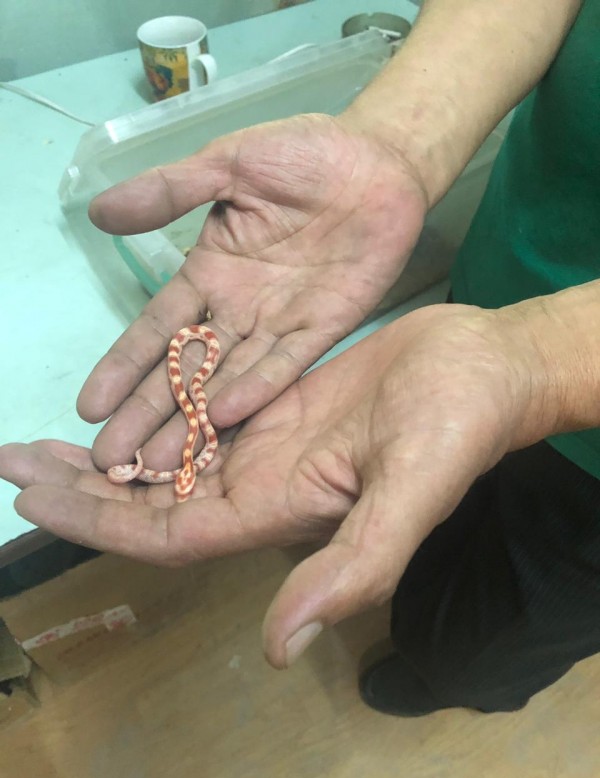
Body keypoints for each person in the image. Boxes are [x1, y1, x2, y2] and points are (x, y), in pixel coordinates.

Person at [1, 0, 599, 716]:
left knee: (489, 639)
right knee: (424, 513)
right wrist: (396, 144)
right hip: (490, 292)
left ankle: (453, 680)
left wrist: (542, 357)